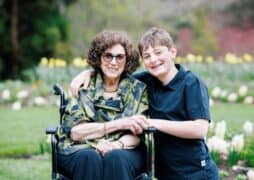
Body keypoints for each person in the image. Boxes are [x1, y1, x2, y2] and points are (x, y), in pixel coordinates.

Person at [70, 27, 219, 180]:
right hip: (167, 172)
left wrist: (151, 123)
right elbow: (114, 72)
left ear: (173, 52)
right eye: (147, 56)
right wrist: (88, 73)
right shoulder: (148, 81)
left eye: (158, 52)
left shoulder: (191, 82)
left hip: (195, 171)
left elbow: (199, 129)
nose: (153, 59)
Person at [58, 30, 149, 180]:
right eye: (108, 56)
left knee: (116, 158)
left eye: (119, 57)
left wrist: (116, 145)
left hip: (123, 148)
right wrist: (118, 125)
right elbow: (76, 133)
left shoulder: (138, 90)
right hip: (80, 147)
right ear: (99, 58)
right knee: (89, 157)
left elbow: (137, 133)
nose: (113, 62)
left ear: (127, 60)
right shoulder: (82, 86)